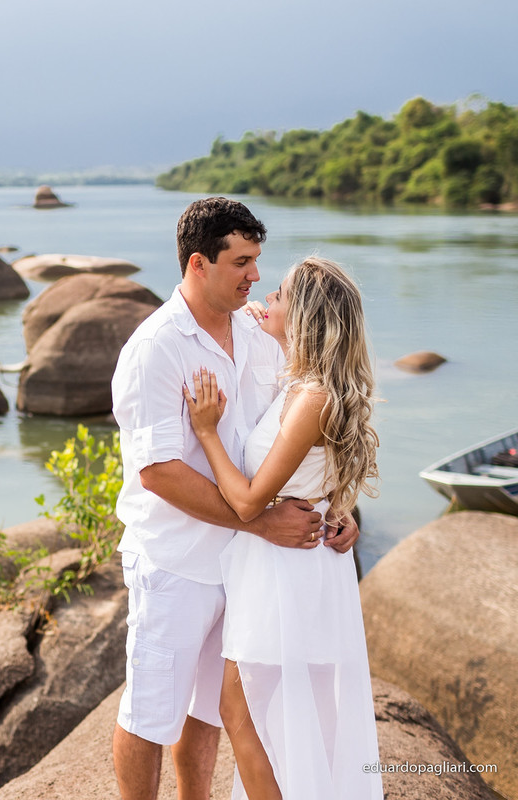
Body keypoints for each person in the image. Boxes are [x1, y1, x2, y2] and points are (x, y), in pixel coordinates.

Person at [109, 197, 360, 800]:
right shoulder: (157, 348)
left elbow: (303, 436)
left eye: (257, 261)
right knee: (151, 713)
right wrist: (260, 524)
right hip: (178, 561)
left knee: (213, 711)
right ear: (199, 263)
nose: (254, 276)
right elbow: (160, 474)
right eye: (242, 261)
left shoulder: (260, 328)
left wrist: (338, 507)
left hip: (247, 569)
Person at [183, 256, 382, 799]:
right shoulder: (303, 383)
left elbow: (249, 501)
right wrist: (255, 317)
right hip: (293, 564)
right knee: (291, 717)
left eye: (280, 294)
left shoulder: (313, 397)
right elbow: (320, 480)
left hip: (285, 570)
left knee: (242, 711)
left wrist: (206, 433)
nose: (266, 295)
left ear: (306, 318)